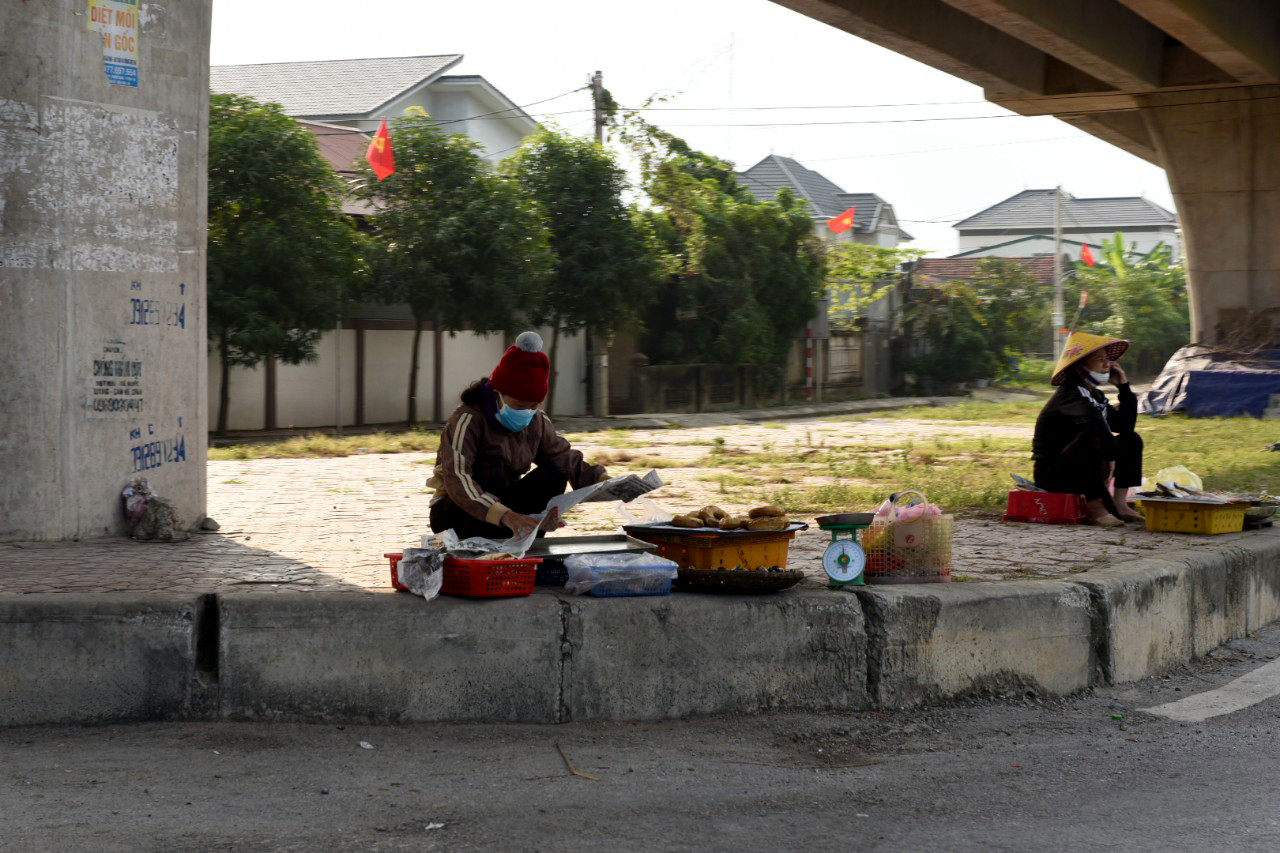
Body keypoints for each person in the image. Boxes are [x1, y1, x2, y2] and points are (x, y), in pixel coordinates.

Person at [427, 331, 610, 540]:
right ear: (498, 394)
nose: (527, 412)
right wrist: (505, 515)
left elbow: (564, 459)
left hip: (507, 508)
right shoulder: (468, 418)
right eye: (521, 405)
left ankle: (525, 531)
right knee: (493, 469)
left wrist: (602, 481)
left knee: (555, 473)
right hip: (458, 515)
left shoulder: (537, 421)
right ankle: (512, 528)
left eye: (534, 406)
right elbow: (457, 478)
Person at [1031, 332, 1145, 527]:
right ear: (1080, 365)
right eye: (1099, 359)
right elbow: (1094, 424)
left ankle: (1119, 503)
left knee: (1131, 438)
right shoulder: (1070, 395)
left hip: (1085, 467)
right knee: (1091, 437)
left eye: (1108, 359)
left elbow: (1124, 426)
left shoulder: (1096, 396)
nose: (1107, 364)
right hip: (1053, 472)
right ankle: (1094, 507)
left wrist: (1124, 388)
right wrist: (1110, 458)